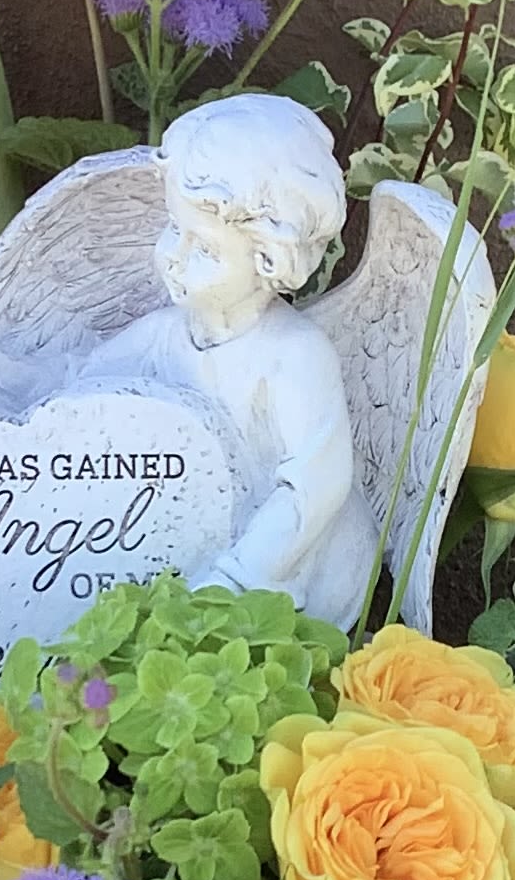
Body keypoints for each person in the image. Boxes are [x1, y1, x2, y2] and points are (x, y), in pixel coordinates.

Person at [79, 96, 377, 626]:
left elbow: (314, 488)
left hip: (286, 574)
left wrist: (232, 581)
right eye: (174, 227)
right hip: (195, 559)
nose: (172, 255)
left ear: (270, 260)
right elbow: (77, 387)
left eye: (205, 249)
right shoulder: (165, 335)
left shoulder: (294, 357)